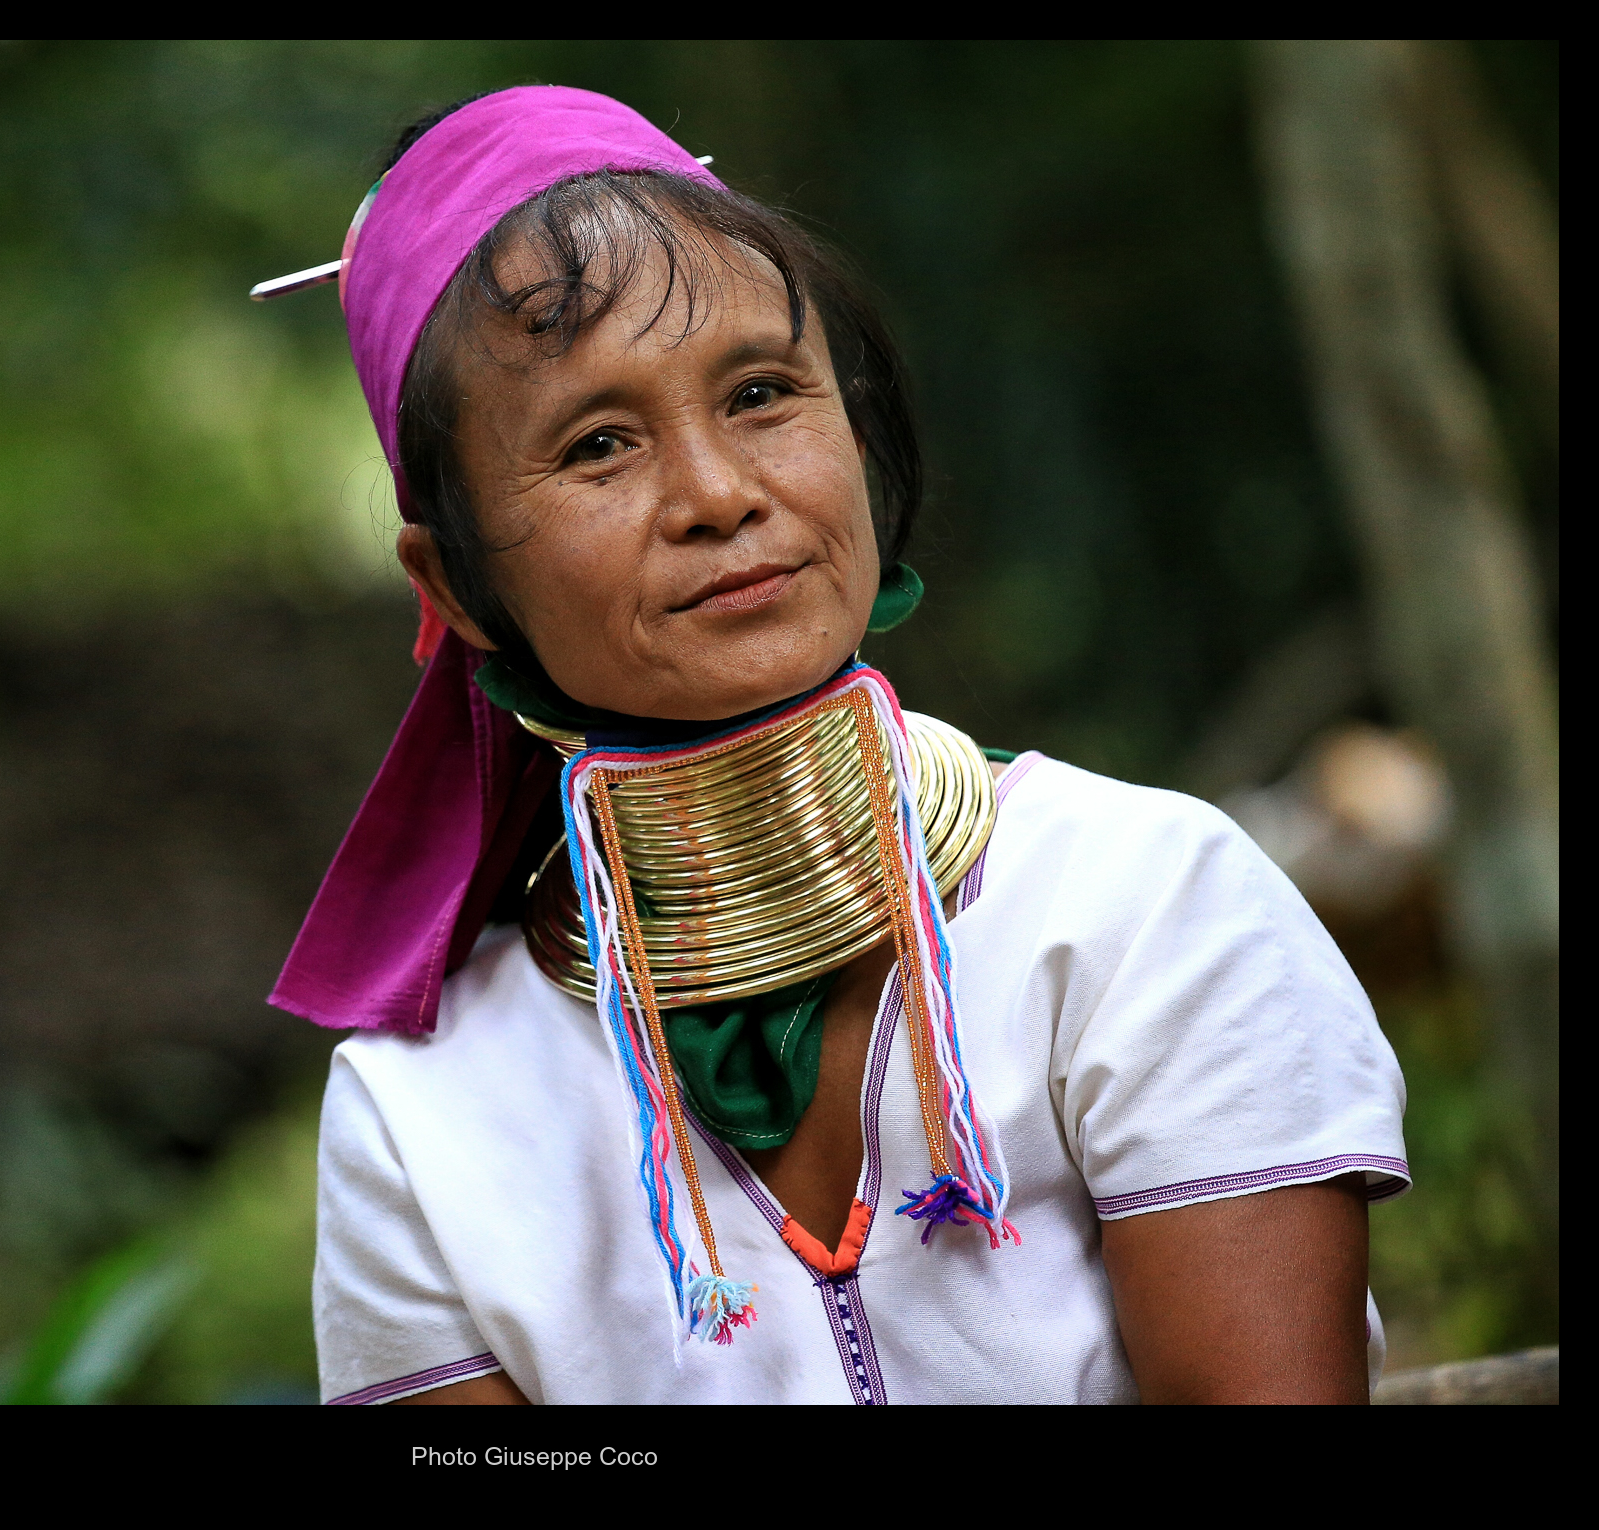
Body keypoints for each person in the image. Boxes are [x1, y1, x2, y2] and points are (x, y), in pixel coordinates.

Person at [259, 86, 1408, 1404]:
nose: (718, 492)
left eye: (760, 393)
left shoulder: (1149, 911)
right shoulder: (426, 1130)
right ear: (455, 586)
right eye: (598, 444)